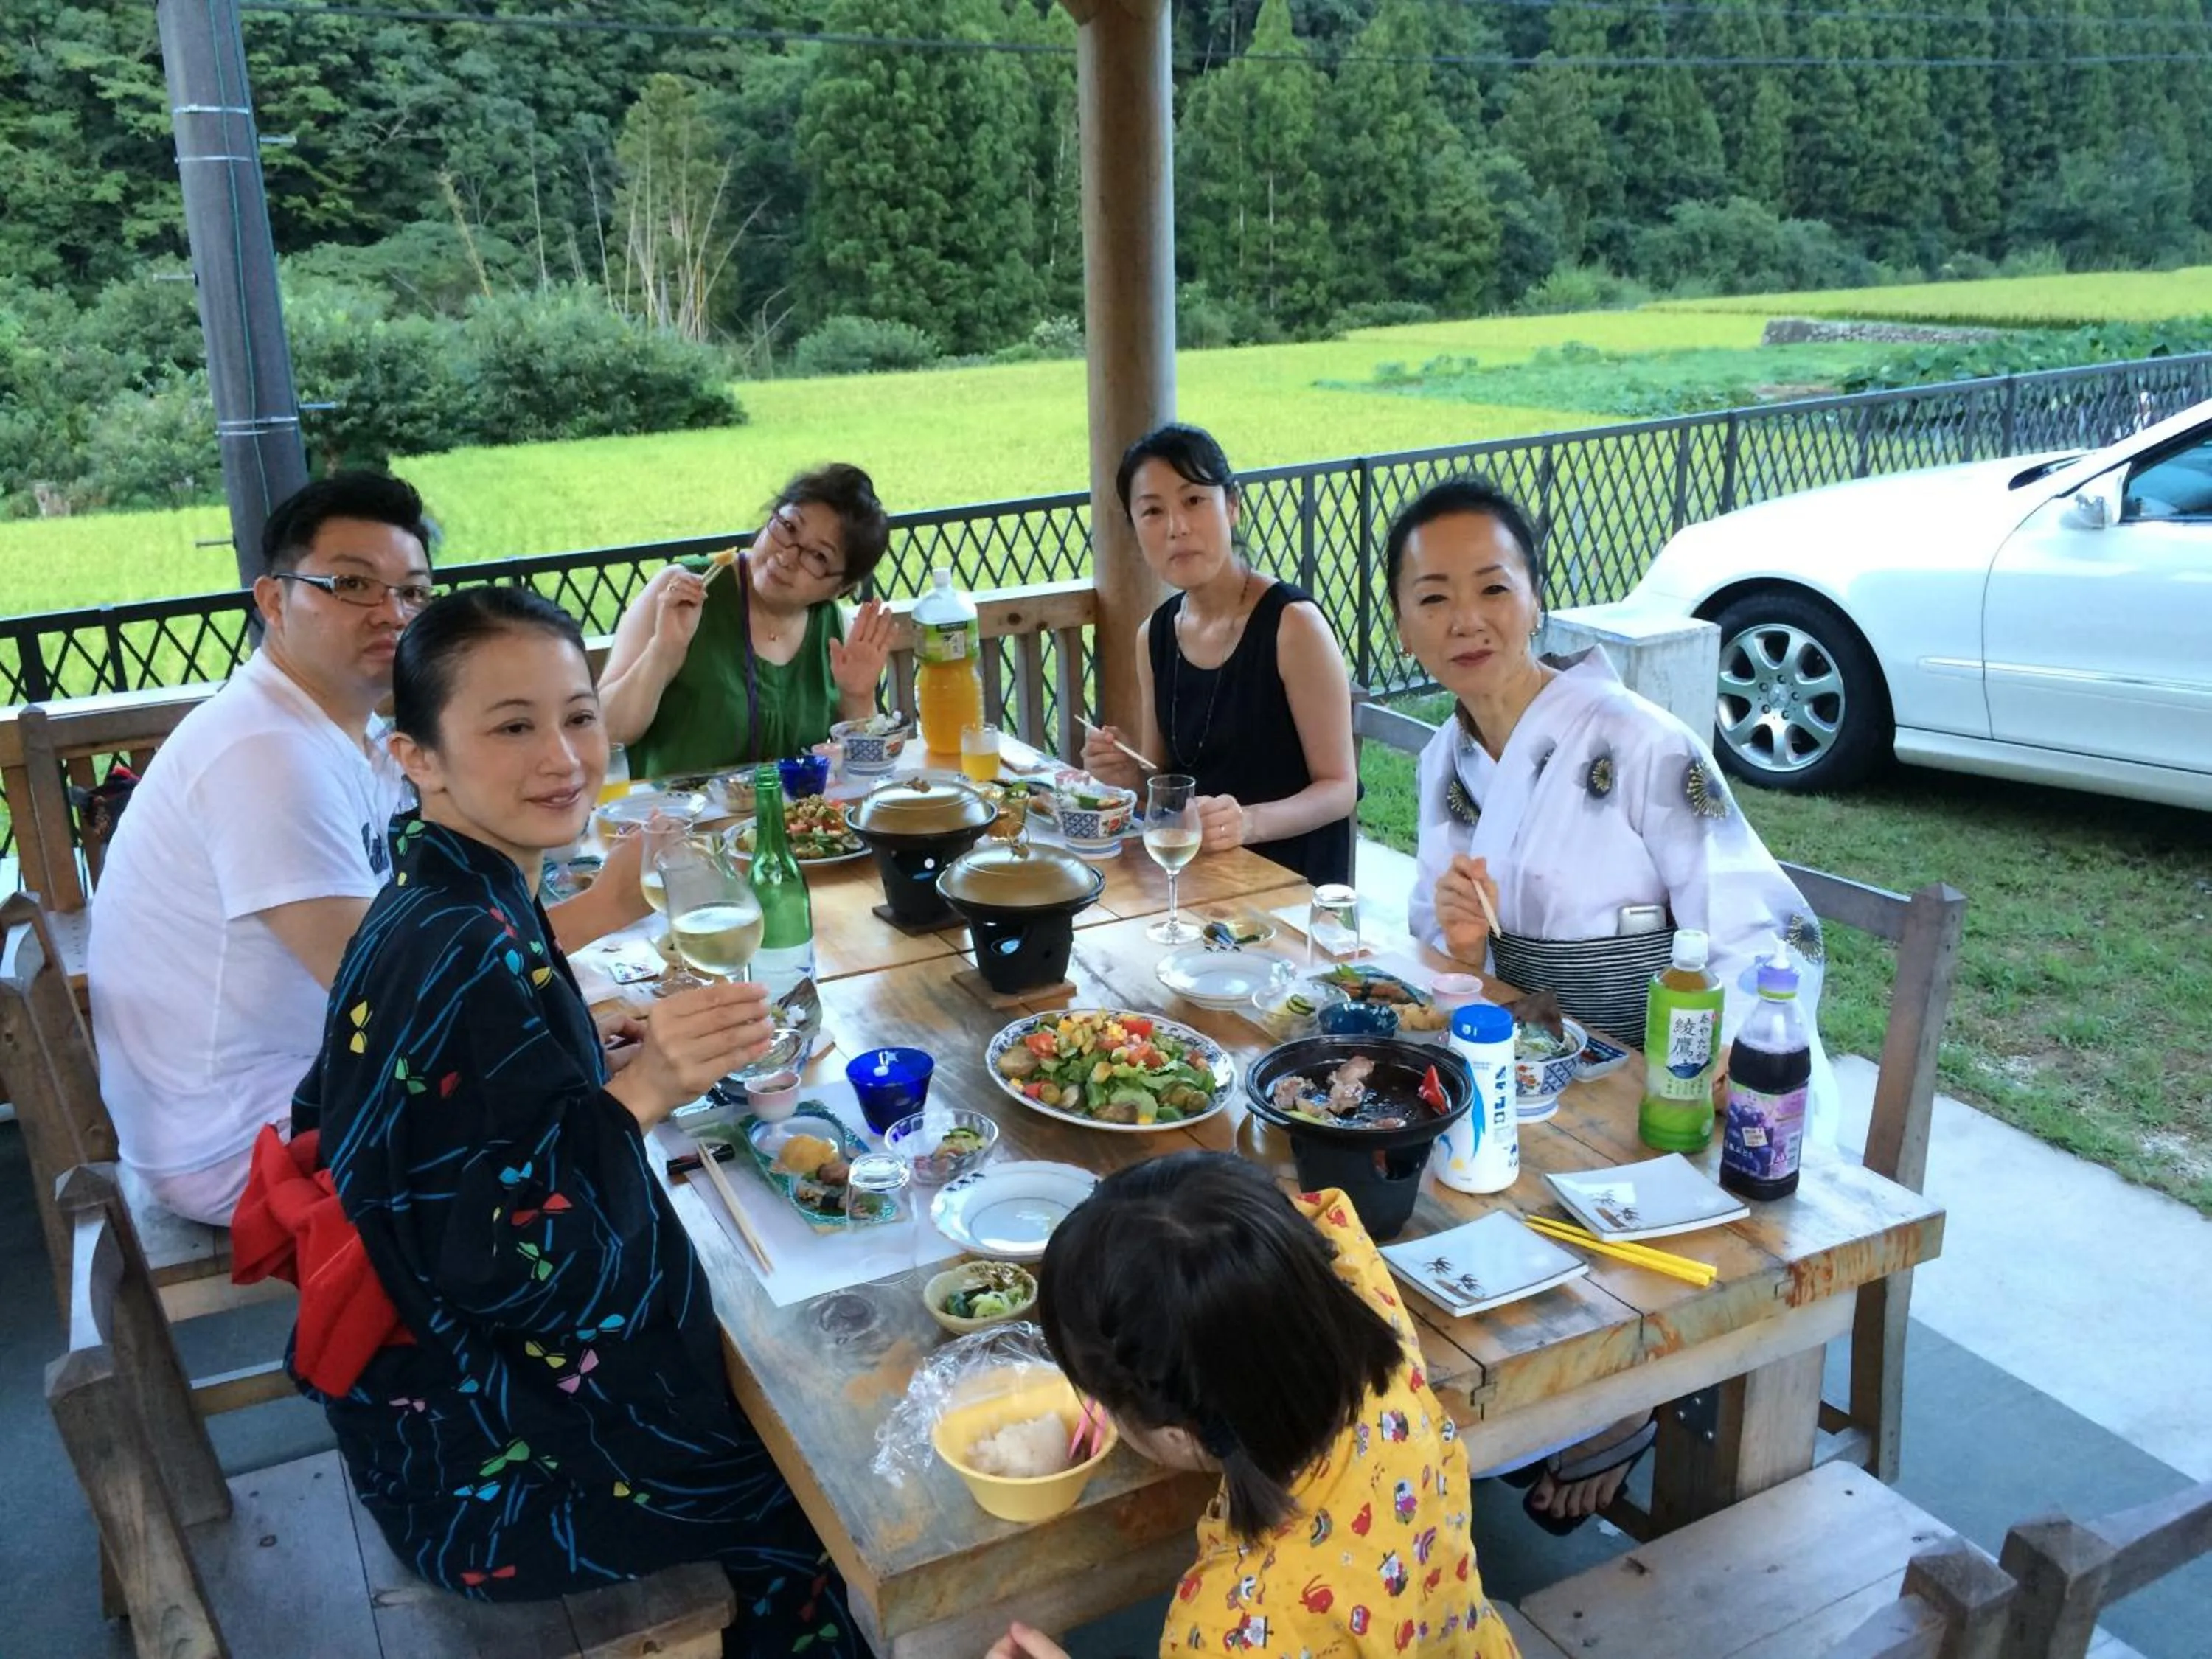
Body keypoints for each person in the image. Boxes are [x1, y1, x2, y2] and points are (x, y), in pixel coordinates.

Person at [231, 585, 859, 1652]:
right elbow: (516, 1268)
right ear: (416, 755)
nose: (564, 754)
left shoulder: (449, 889)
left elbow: (452, 1122)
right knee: (819, 1481)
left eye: (577, 714)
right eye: (512, 725)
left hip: (444, 1382)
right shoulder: (462, 944)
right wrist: (641, 1091)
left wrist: (584, 1064)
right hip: (482, 1458)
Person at [1391, 475, 1832, 1533]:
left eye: (1492, 587)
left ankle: (1612, 1404)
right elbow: (1438, 949)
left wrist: (1729, 1052)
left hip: (1663, 1103)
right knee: (1417, 1228)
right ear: (1401, 622)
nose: (1466, 620)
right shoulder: (1448, 757)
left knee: (1477, 1244)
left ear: (1537, 598)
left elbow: (1772, 930)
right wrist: (1460, 941)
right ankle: (1524, 1416)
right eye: (1433, 596)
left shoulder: (1642, 742)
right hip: (1545, 1094)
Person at [86, 471, 653, 1227]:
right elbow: (392, 992)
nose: (392, 613)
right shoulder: (265, 755)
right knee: (617, 1152)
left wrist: (563, 1031)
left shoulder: (347, 734)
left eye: (414, 592)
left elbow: (436, 927)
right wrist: (604, 913)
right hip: (244, 1143)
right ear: (272, 601)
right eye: (352, 584)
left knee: (614, 1079)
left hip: (308, 1083)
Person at [987, 1152, 1520, 1659]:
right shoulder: (1367, 1313)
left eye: (1099, 1395)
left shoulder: (1235, 1624)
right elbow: (1297, 1222)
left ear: (1181, 1435)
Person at [1081, 425, 1357, 888]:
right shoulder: (1154, 635)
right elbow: (1163, 782)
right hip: (1194, 881)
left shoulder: (1293, 625)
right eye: (1152, 511)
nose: (1177, 528)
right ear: (1134, 528)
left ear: (1232, 506)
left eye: (1194, 501)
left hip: (1290, 892)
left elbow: (1339, 789)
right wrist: (1129, 774)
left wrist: (1246, 822)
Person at [599, 463, 897, 777]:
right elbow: (606, 732)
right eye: (789, 528)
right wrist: (664, 650)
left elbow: (866, 775)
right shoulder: (681, 591)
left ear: (841, 588)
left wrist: (858, 697)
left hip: (785, 824)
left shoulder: (835, 630)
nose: (786, 557)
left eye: (819, 557)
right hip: (672, 822)